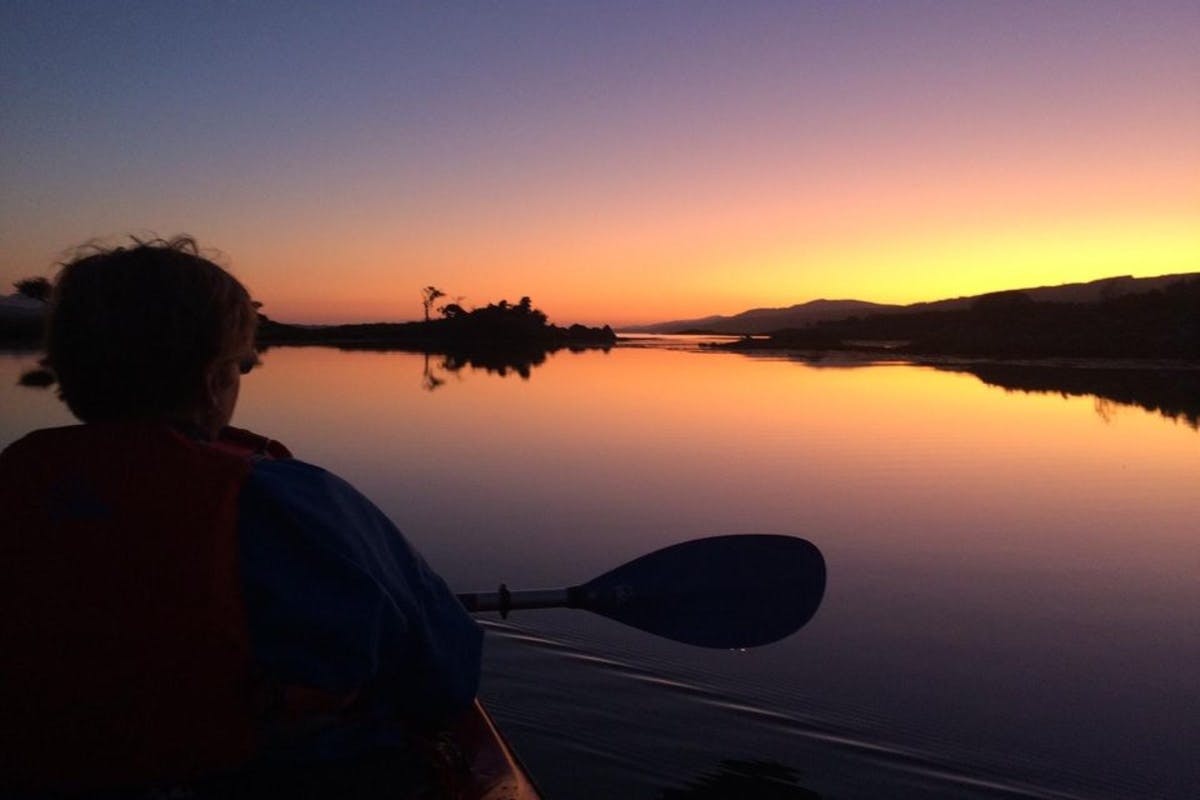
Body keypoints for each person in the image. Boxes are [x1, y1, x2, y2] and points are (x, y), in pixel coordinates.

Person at [0, 236, 483, 797]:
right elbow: (447, 677)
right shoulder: (285, 504)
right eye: (241, 368)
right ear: (212, 380)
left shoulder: (16, 483)